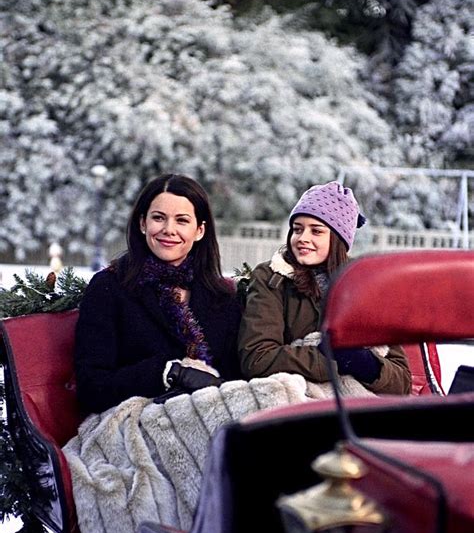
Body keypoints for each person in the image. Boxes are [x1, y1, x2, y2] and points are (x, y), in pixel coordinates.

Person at [75, 174, 242, 414]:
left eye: (182, 220)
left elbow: (234, 379)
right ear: (143, 224)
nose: (169, 229)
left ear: (199, 230)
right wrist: (169, 373)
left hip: (209, 418)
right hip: (132, 420)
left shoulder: (221, 296)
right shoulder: (109, 287)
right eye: (158, 218)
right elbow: (92, 387)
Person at [238, 181, 412, 395]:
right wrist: (332, 360)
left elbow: (402, 381)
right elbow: (257, 358)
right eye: (297, 229)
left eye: (316, 231)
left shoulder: (365, 287)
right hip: (294, 402)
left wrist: (367, 365)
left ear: (338, 239)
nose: (303, 238)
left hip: (353, 408)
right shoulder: (271, 278)